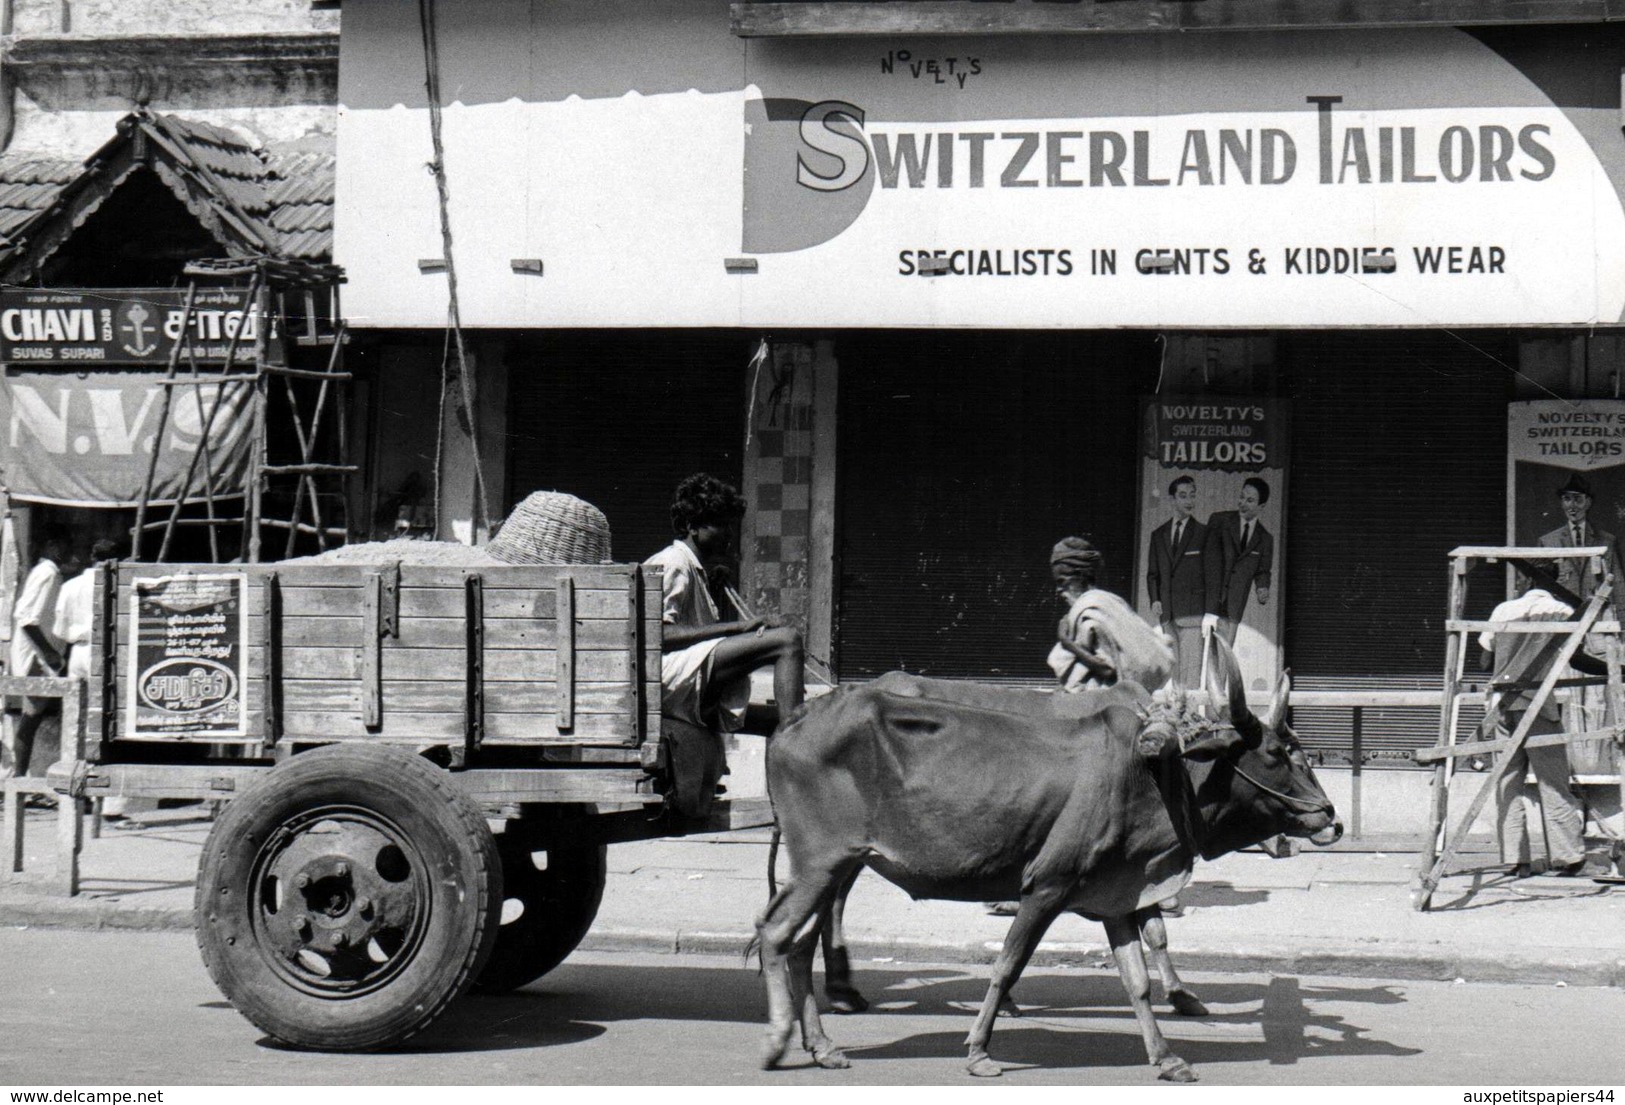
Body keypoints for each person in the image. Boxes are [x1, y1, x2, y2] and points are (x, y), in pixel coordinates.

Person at [645, 473, 804, 733]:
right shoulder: (673, 561)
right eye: (719, 524)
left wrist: (716, 594)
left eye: (729, 525)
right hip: (665, 676)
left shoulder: (697, 570)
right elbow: (658, 635)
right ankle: (795, 738)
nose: (728, 534)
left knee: (771, 721)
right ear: (691, 526)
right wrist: (737, 628)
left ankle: (792, 737)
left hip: (687, 674)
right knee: (788, 640)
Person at [1480, 586, 1607, 878]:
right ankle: (1569, 857)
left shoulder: (1503, 609)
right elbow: (1577, 660)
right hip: (1536, 704)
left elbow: (1485, 661)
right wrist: (1617, 669)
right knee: (1553, 781)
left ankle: (1514, 859)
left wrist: (1511, 656)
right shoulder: (1560, 610)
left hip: (1500, 704)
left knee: (1507, 783)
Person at [1048, 537, 1174, 693]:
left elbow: (1107, 670)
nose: (1058, 590)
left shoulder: (1088, 609)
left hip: (1105, 705)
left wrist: (1067, 642)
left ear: (1080, 576)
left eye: (1062, 582)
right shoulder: (1111, 601)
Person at [1, 525, 69, 794]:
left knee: (32, 720)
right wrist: (49, 654)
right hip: (37, 659)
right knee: (31, 719)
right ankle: (18, 782)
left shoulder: (47, 572)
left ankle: (18, 781)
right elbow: (27, 618)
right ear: (51, 545)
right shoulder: (47, 573)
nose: (68, 550)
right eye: (65, 544)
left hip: (37, 656)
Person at [1145, 475, 1221, 686]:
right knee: (1175, 674)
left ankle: (1192, 717)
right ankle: (1179, 718)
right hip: (1167, 615)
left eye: (1192, 496)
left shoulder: (1204, 533)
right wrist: (1155, 599)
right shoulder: (1158, 535)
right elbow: (1153, 573)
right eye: (1183, 496)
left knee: (1191, 674)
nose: (1189, 501)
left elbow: (1214, 575)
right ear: (1171, 500)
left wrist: (1211, 613)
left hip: (1193, 614)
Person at [1536, 473, 1625, 618]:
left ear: (1588, 502)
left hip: (1596, 618)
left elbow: (1619, 586)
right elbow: (1540, 589)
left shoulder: (1607, 541)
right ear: (1561, 503)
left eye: (1578, 499)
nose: (1572, 506)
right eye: (1567, 499)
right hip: (1561, 619)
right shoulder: (1548, 542)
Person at [1209, 477, 1275, 646]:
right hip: (1209, 599)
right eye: (1242, 497)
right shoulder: (1219, 521)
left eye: (1250, 500)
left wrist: (1262, 587)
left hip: (1234, 603)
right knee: (1201, 652)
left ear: (1261, 506)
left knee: (1225, 653)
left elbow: (1262, 571)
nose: (1242, 503)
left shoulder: (1265, 539)